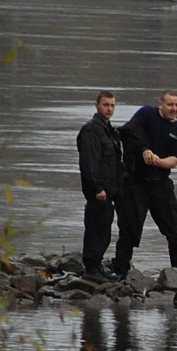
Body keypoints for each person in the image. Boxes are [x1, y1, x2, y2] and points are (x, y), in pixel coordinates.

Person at [111, 90, 177, 275]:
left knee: (175, 230)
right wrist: (144, 149)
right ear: (160, 104)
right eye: (170, 104)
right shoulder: (147, 114)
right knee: (129, 229)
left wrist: (158, 161)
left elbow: (175, 160)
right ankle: (120, 270)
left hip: (160, 182)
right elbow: (128, 132)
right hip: (135, 181)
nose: (174, 109)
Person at [76, 90, 123, 282]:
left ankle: (97, 266)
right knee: (95, 228)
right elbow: (89, 163)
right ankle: (91, 269)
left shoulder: (109, 129)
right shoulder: (91, 130)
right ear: (97, 105)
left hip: (110, 189)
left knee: (104, 229)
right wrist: (97, 188)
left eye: (112, 105)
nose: (109, 109)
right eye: (106, 105)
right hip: (98, 191)